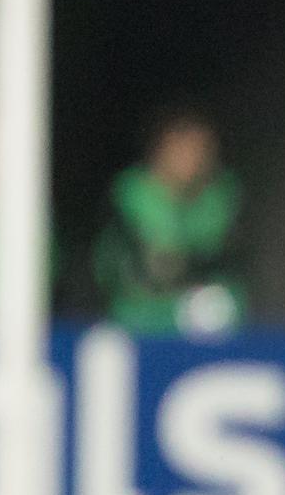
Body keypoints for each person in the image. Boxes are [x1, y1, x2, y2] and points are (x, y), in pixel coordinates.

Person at [92, 109, 245, 337]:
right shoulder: (133, 191)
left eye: (200, 150)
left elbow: (218, 256)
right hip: (139, 309)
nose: (192, 160)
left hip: (199, 308)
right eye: (182, 149)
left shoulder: (221, 194)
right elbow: (155, 263)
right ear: (161, 150)